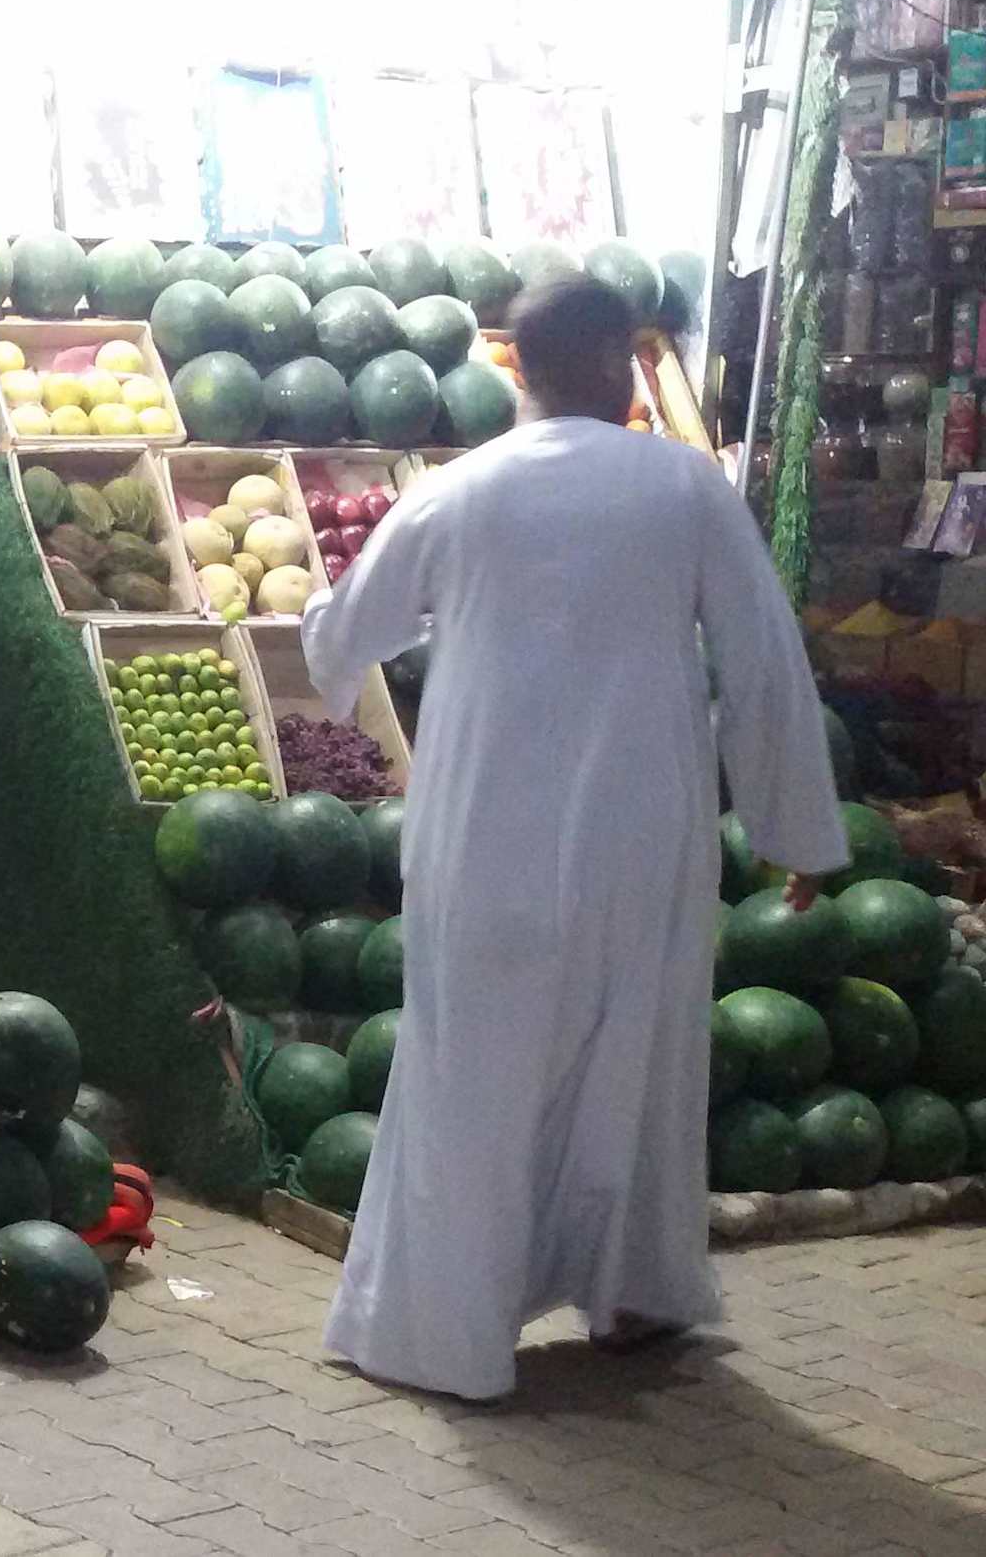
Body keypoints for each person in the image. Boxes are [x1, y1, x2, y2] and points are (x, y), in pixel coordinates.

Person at [301, 275, 848, 1402]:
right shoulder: (683, 486)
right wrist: (796, 827)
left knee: (469, 1077)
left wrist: (336, 637)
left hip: (478, 837)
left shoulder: (459, 490)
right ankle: (634, 1294)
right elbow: (762, 662)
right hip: (639, 836)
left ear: (519, 368)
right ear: (613, 363)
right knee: (637, 1068)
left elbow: (342, 636)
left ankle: (442, 1338)